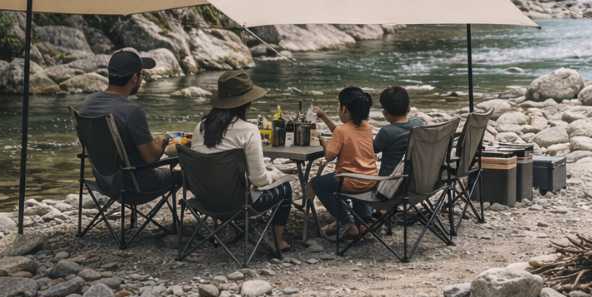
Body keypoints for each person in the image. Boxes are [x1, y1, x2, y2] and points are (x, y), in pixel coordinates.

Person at [189, 70, 293, 253]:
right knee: (286, 188)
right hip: (238, 204)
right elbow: (259, 180)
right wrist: (275, 174)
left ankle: (227, 229)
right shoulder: (248, 130)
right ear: (246, 102)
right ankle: (278, 241)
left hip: (204, 199)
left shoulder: (201, 126)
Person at [79, 50, 178, 197]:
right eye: (141, 74)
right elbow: (151, 157)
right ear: (134, 78)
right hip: (134, 187)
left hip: (103, 182)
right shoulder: (132, 111)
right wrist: (162, 141)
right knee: (185, 172)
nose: (141, 79)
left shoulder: (88, 103)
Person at [312, 86, 377, 240]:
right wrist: (324, 117)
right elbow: (344, 133)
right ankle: (363, 222)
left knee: (317, 183)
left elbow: (329, 155)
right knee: (356, 180)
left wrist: (322, 140)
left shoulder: (342, 131)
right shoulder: (367, 127)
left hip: (350, 181)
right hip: (371, 179)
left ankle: (348, 223)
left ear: (344, 109)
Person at [374, 86, 423, 176]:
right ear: (408, 108)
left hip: (389, 181)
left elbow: (373, 149)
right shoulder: (418, 124)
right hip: (413, 178)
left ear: (385, 113)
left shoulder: (386, 132)